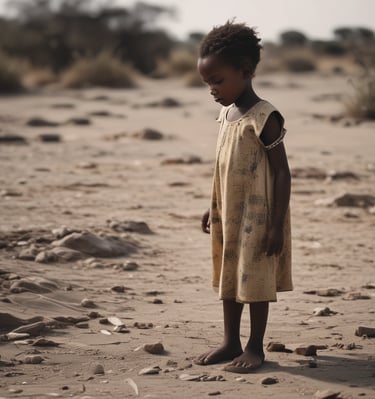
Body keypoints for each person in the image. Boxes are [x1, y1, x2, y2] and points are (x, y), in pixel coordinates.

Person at [195, 21, 293, 374]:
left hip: (260, 215)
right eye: (207, 83)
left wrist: (277, 225)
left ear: (246, 71)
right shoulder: (226, 114)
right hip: (228, 212)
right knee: (229, 276)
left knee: (255, 279)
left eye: (218, 81)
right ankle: (230, 341)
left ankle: (254, 347)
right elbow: (224, 164)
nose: (212, 90)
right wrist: (212, 205)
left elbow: (282, 172)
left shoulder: (264, 117)